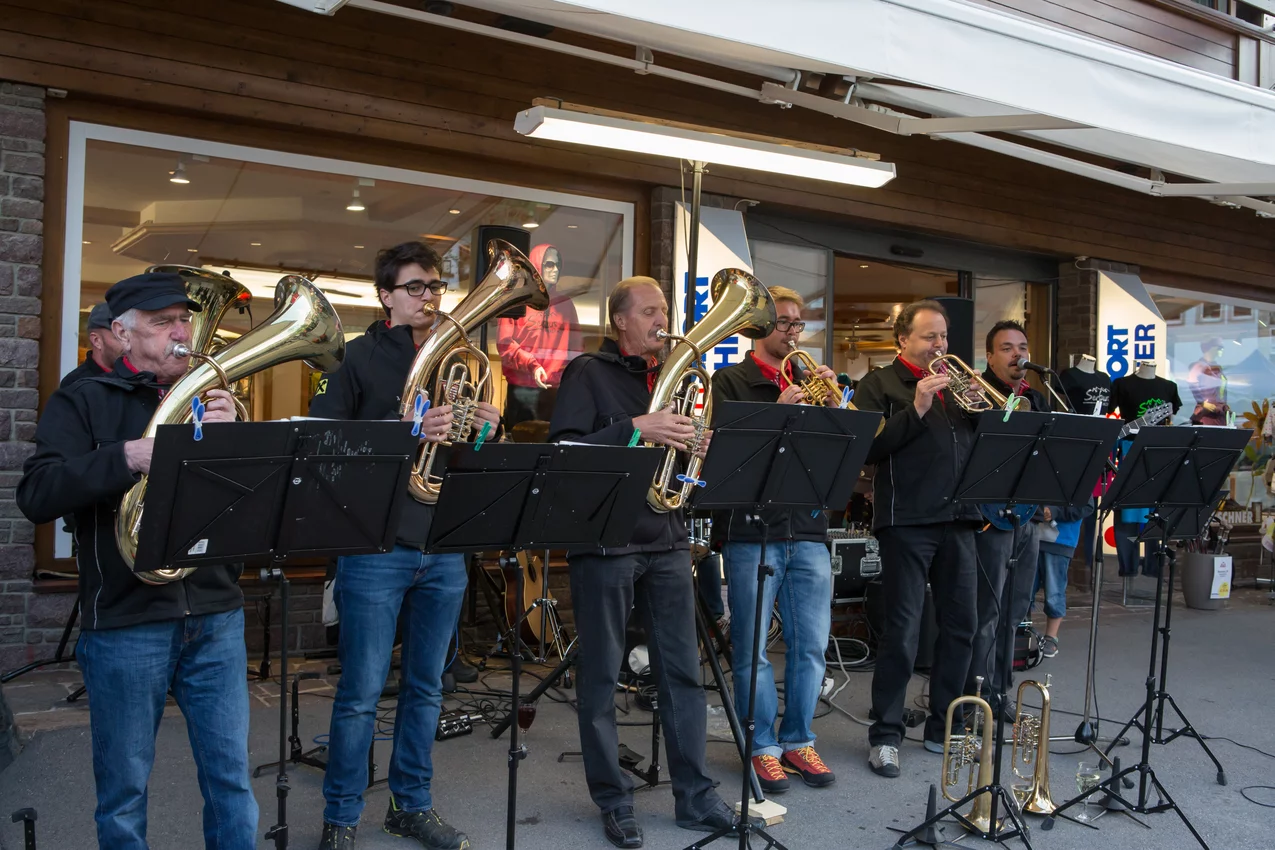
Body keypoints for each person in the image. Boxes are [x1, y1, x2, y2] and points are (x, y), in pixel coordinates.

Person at [17, 272, 254, 849]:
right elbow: (38, 494)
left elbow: (249, 500)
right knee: (124, 791)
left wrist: (239, 437)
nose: (181, 331)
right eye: (163, 322)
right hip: (129, 618)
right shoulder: (81, 398)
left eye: (184, 319)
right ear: (122, 334)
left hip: (216, 610)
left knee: (232, 781)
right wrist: (124, 456)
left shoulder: (213, 394)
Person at [549, 276, 754, 847]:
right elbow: (564, 451)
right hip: (606, 543)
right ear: (620, 321)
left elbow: (685, 465)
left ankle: (696, 797)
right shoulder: (587, 374)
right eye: (649, 310)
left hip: (665, 538)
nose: (661, 319)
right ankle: (613, 801)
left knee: (683, 676)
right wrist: (635, 428)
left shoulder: (676, 380)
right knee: (601, 677)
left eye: (664, 308)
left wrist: (698, 446)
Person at [308, 241, 499, 850]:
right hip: (377, 545)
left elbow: (473, 459)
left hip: (444, 542)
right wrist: (405, 428)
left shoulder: (462, 359)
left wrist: (488, 428)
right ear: (385, 295)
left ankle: (409, 806)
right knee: (361, 693)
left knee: (427, 688)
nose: (430, 297)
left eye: (435, 286)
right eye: (416, 287)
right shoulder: (355, 359)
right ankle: (340, 817)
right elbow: (326, 441)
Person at [709, 285, 837, 793]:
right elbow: (727, 454)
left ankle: (799, 739)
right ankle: (761, 746)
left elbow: (837, 458)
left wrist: (835, 406)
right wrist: (782, 414)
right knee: (752, 649)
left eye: (796, 324)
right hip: (750, 532)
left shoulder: (810, 378)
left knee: (811, 647)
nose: (791, 332)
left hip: (807, 527)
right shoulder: (730, 381)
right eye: (783, 323)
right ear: (759, 328)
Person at [852, 299, 979, 777]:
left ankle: (946, 725)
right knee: (903, 632)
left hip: (959, 518)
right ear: (902, 340)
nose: (940, 345)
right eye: (930, 337)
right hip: (905, 520)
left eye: (943, 337)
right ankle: (885, 734)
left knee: (961, 626)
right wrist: (918, 407)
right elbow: (870, 448)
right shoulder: (879, 384)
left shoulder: (961, 387)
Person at [967, 320, 1048, 721]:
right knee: (987, 613)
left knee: (1016, 612)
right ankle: (975, 696)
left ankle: (1000, 692)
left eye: (1022, 346)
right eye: (1007, 348)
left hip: (1025, 519)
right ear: (990, 356)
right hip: (987, 518)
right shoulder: (975, 393)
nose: (1018, 355)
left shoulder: (1035, 398)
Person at [496, 243, 581, 426]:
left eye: (557, 264)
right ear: (536, 265)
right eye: (549, 264)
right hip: (522, 390)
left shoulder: (565, 305)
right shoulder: (516, 300)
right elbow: (505, 345)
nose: (555, 269)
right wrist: (532, 365)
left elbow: (575, 349)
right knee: (519, 442)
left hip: (555, 390)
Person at [1032, 499, 1094, 658]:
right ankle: (1020, 636)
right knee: (1022, 591)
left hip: (1061, 540)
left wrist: (1055, 511)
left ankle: (1051, 637)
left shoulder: (1079, 474)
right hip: (1030, 536)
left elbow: (1086, 506)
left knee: (1054, 592)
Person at [60, 302, 123, 387]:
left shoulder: (137, 376)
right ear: (96, 341)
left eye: (129, 337)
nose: (128, 345)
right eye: (119, 337)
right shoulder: (77, 384)